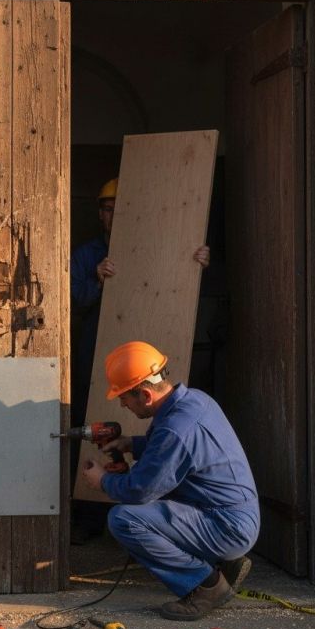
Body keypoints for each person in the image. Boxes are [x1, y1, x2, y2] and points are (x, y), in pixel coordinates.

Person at [69, 179, 210, 544]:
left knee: (153, 435)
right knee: (94, 426)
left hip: (146, 358)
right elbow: (69, 299)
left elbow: (179, 290)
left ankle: (152, 519)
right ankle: (88, 518)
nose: (113, 215)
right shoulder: (87, 254)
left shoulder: (164, 245)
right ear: (99, 215)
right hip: (98, 353)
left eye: (119, 207)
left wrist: (193, 262)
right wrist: (97, 281)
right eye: (106, 208)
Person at [82, 341, 259, 621]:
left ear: (146, 395)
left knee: (124, 519)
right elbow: (172, 452)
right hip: (228, 513)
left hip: (226, 525)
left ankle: (207, 585)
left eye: (125, 397)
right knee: (153, 502)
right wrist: (131, 444)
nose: (121, 404)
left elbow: (139, 491)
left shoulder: (177, 430)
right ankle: (219, 561)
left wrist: (102, 480)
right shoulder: (194, 401)